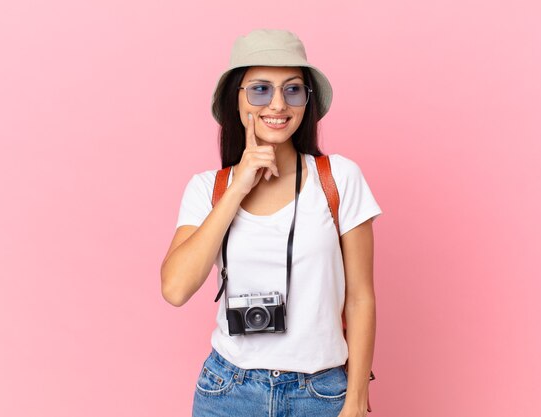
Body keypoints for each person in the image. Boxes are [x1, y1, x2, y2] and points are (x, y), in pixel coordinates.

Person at [161, 29, 382, 417]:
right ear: (238, 98)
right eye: (261, 89)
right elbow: (176, 288)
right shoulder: (206, 189)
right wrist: (237, 187)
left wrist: (357, 399)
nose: (278, 104)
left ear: (306, 101)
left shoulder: (339, 179)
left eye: (293, 90)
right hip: (228, 391)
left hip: (321, 393)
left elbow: (361, 297)